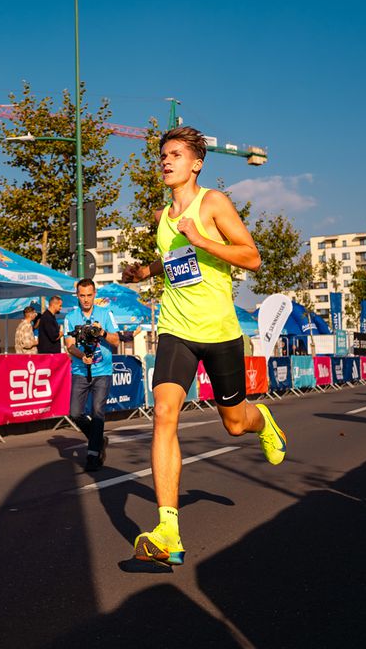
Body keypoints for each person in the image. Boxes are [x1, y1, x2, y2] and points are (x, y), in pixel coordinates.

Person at [120, 124, 282, 567]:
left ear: (197, 163)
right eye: (163, 155)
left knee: (233, 423)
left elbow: (251, 255)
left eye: (175, 155)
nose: (166, 161)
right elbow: (174, 259)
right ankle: (168, 529)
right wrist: (145, 272)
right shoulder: (161, 217)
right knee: (164, 414)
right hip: (175, 328)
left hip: (221, 332)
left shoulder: (214, 203)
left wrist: (202, 238)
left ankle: (260, 419)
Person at [63, 279, 120, 472]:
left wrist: (102, 332)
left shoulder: (106, 314)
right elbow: (69, 345)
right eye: (82, 295)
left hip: (102, 371)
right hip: (80, 371)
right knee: (75, 413)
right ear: (77, 295)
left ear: (94, 294)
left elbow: (116, 341)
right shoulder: (70, 317)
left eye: (89, 295)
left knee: (97, 413)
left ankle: (93, 455)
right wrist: (82, 356)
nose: (86, 299)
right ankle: (99, 439)